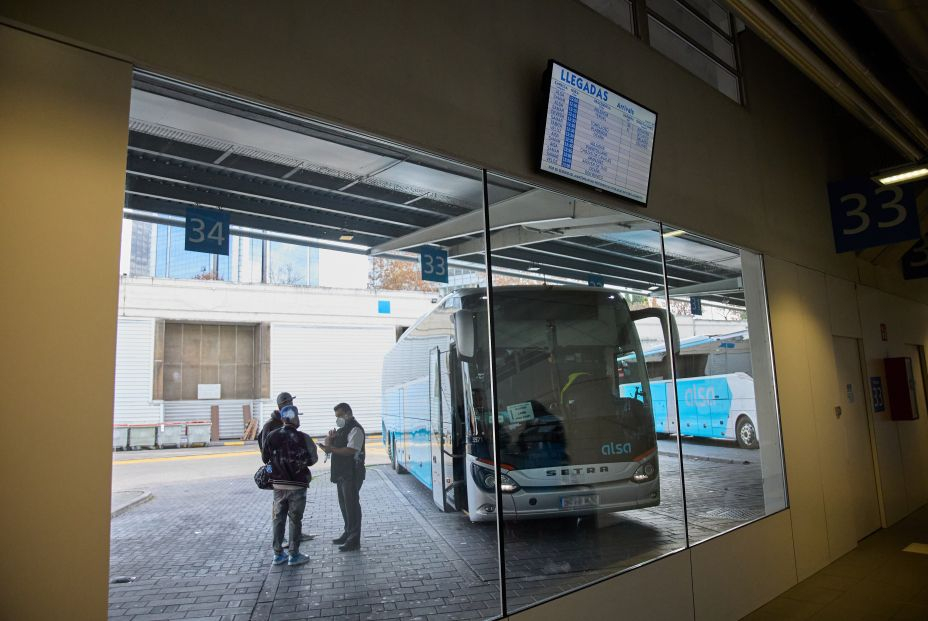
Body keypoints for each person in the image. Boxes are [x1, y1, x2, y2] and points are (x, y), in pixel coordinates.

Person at [261, 405, 318, 567]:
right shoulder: (304, 438)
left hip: (278, 486)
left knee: (278, 519)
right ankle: (294, 555)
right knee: (295, 520)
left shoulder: (272, 436)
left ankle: (278, 554)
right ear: (295, 418)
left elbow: (265, 459)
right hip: (297, 486)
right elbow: (313, 460)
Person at [318, 402, 365, 552]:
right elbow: (333, 450)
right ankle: (348, 532)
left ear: (347, 413)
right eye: (336, 417)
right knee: (344, 505)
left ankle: (354, 539)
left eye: (339, 416)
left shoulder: (355, 429)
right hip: (341, 474)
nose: (337, 419)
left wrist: (331, 448)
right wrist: (329, 442)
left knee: (352, 506)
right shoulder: (342, 430)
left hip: (352, 473)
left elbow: (350, 450)